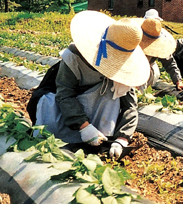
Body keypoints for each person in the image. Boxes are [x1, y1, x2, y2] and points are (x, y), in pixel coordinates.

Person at [33, 11, 150, 159]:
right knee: (47, 104)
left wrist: (122, 138)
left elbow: (130, 106)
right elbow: (65, 94)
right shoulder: (74, 58)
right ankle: (72, 137)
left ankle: (99, 139)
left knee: (111, 92)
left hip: (99, 122)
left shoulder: (123, 69)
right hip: (65, 113)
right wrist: (84, 127)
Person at [134, 18, 176, 90]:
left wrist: (178, 80)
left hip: (144, 72)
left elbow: (169, 62)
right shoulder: (129, 39)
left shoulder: (160, 47)